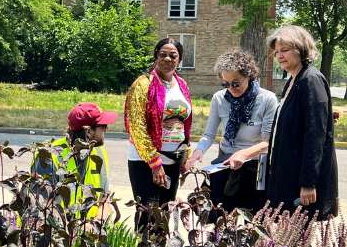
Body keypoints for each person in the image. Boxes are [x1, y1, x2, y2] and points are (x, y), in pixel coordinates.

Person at [186, 50, 278, 213]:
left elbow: (267, 143)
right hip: (225, 163)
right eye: (225, 84)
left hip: (256, 166)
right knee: (217, 214)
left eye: (236, 83)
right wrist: (197, 152)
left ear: (249, 75)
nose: (230, 88)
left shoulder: (267, 99)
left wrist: (243, 154)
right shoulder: (219, 98)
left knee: (253, 217)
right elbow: (208, 135)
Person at [266, 25, 338, 220]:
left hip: (301, 183)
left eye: (285, 50)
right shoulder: (293, 80)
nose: (279, 55)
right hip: (288, 175)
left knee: (299, 242)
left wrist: (308, 182)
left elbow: (316, 135)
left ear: (301, 49)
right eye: (277, 51)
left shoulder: (311, 80)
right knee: (287, 242)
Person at [124, 38, 193, 230]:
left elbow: (186, 123)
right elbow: (136, 125)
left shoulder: (181, 84)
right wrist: (154, 162)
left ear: (179, 59)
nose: (168, 59)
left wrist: (185, 153)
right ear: (155, 56)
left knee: (164, 214)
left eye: (173, 55)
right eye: (163, 54)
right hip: (146, 162)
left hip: (173, 160)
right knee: (148, 214)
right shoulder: (144, 84)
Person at [31, 102, 117, 214]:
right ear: (89, 131)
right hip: (60, 228)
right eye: (103, 126)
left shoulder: (99, 152)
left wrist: (96, 220)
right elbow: (40, 209)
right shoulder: (48, 157)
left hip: (90, 228)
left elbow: (104, 201)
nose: (107, 129)